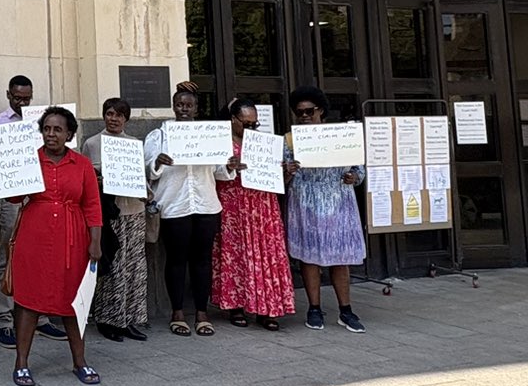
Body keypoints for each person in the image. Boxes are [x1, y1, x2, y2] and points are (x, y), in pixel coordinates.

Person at [4, 107, 105, 386]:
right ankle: (21, 363)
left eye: (57, 129)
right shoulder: (29, 160)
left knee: (74, 301)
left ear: (69, 134)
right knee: (28, 301)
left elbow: (93, 205)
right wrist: (0, 172)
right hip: (34, 239)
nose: (51, 134)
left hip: (73, 241)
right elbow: (13, 198)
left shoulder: (82, 164)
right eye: (47, 129)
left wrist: (95, 242)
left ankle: (80, 361)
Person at [0, 75, 64, 349]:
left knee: (41, 255)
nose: (22, 102)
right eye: (17, 98)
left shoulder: (42, 122)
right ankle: (4, 321)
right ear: (8, 95)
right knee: (8, 255)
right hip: (11, 198)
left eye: (26, 99)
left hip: (42, 197)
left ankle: (40, 317)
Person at [282, 87, 368, 333]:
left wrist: (354, 176)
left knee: (340, 258)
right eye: (299, 112)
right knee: (310, 258)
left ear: (320, 110)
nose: (304, 116)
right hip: (306, 204)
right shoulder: (289, 140)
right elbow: (281, 178)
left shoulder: (340, 135)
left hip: (338, 202)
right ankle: (314, 308)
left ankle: (346, 310)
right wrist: (287, 172)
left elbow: (359, 169)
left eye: (309, 111)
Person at [144, 81, 223, 336]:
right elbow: (146, 170)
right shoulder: (160, 135)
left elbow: (221, 172)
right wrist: (158, 161)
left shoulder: (210, 134)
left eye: (188, 105)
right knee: (176, 261)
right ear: (173, 107)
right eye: (179, 105)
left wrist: (231, 164)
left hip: (206, 204)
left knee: (202, 260)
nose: (183, 109)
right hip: (174, 205)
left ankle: (202, 312)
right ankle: (177, 311)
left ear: (196, 108)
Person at [212, 96, 294, 329]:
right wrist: (228, 166)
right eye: (245, 124)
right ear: (232, 120)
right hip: (234, 207)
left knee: (265, 255)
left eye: (254, 124)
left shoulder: (265, 143)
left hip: (263, 207)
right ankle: (236, 306)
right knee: (236, 253)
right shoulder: (221, 143)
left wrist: (286, 172)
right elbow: (211, 173)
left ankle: (267, 308)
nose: (250, 129)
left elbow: (278, 180)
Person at [82, 97, 149, 343]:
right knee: (112, 268)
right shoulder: (92, 143)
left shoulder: (134, 144)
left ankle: (129, 319)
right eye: (110, 113)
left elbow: (140, 177)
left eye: (119, 115)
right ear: (104, 115)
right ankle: (107, 320)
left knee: (133, 267)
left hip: (133, 212)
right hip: (109, 215)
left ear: (126, 119)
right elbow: (84, 179)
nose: (113, 119)